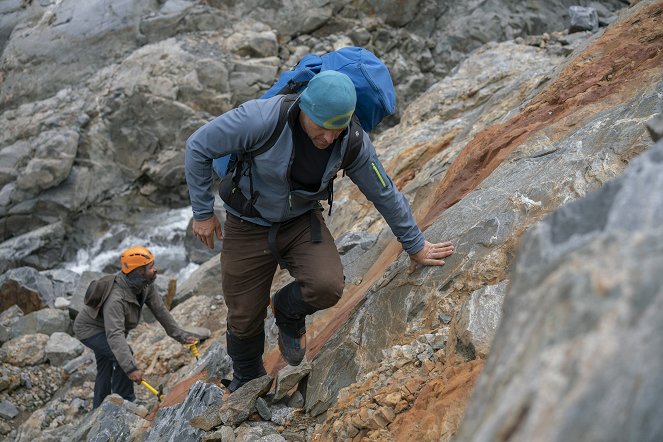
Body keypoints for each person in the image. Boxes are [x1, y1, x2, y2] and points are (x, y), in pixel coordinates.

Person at [184, 70, 455, 391]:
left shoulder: (350, 141)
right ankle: (248, 379)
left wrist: (416, 245)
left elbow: (384, 193)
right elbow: (197, 146)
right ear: (304, 109)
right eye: (323, 128)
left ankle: (287, 310)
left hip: (301, 219)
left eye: (336, 129)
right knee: (244, 313)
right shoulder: (260, 119)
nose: (329, 138)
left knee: (328, 285)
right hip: (247, 222)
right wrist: (203, 213)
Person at [73, 246, 200, 408]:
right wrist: (131, 368)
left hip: (107, 326)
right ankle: (126, 401)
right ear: (139, 271)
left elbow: (160, 311)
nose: (155, 269)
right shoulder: (115, 299)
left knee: (105, 366)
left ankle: (99, 408)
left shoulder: (145, 285)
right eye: (151, 267)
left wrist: (181, 336)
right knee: (123, 357)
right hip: (89, 329)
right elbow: (115, 335)